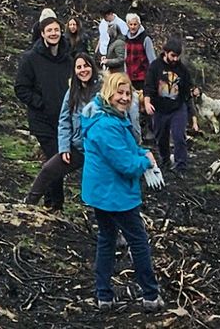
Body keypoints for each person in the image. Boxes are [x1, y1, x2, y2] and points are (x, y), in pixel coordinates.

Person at [81, 72, 163, 312]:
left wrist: (141, 153)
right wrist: (146, 162)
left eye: (128, 94)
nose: (125, 98)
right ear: (109, 91)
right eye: (120, 92)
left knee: (106, 240)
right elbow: (125, 164)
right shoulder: (107, 125)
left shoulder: (107, 117)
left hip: (102, 193)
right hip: (114, 195)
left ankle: (104, 294)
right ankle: (150, 294)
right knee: (138, 242)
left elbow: (127, 149)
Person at [14, 8, 73, 206]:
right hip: (42, 120)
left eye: (56, 30)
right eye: (49, 30)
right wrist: (41, 103)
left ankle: (51, 202)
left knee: (57, 161)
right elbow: (21, 88)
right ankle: (54, 204)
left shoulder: (68, 59)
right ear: (42, 33)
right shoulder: (31, 58)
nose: (54, 33)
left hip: (64, 120)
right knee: (56, 159)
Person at [24, 51, 97, 206]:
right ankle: (28, 204)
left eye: (86, 66)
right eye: (79, 67)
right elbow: (64, 120)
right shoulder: (72, 92)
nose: (83, 70)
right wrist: (64, 147)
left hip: (98, 150)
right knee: (48, 170)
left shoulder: (103, 91)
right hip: (78, 147)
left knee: (97, 190)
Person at [145, 37, 194, 174]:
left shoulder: (182, 69)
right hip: (159, 108)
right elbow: (148, 87)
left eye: (177, 56)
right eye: (172, 55)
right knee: (161, 137)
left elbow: (187, 90)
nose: (175, 59)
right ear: (165, 52)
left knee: (179, 136)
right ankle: (165, 160)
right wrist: (147, 103)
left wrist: (192, 114)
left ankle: (181, 166)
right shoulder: (155, 67)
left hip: (177, 108)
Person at [123, 13, 156, 96]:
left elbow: (152, 59)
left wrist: (152, 76)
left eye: (135, 24)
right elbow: (125, 58)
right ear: (127, 25)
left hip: (142, 77)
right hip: (129, 76)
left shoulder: (145, 39)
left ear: (139, 25)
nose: (133, 27)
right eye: (131, 24)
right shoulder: (126, 39)